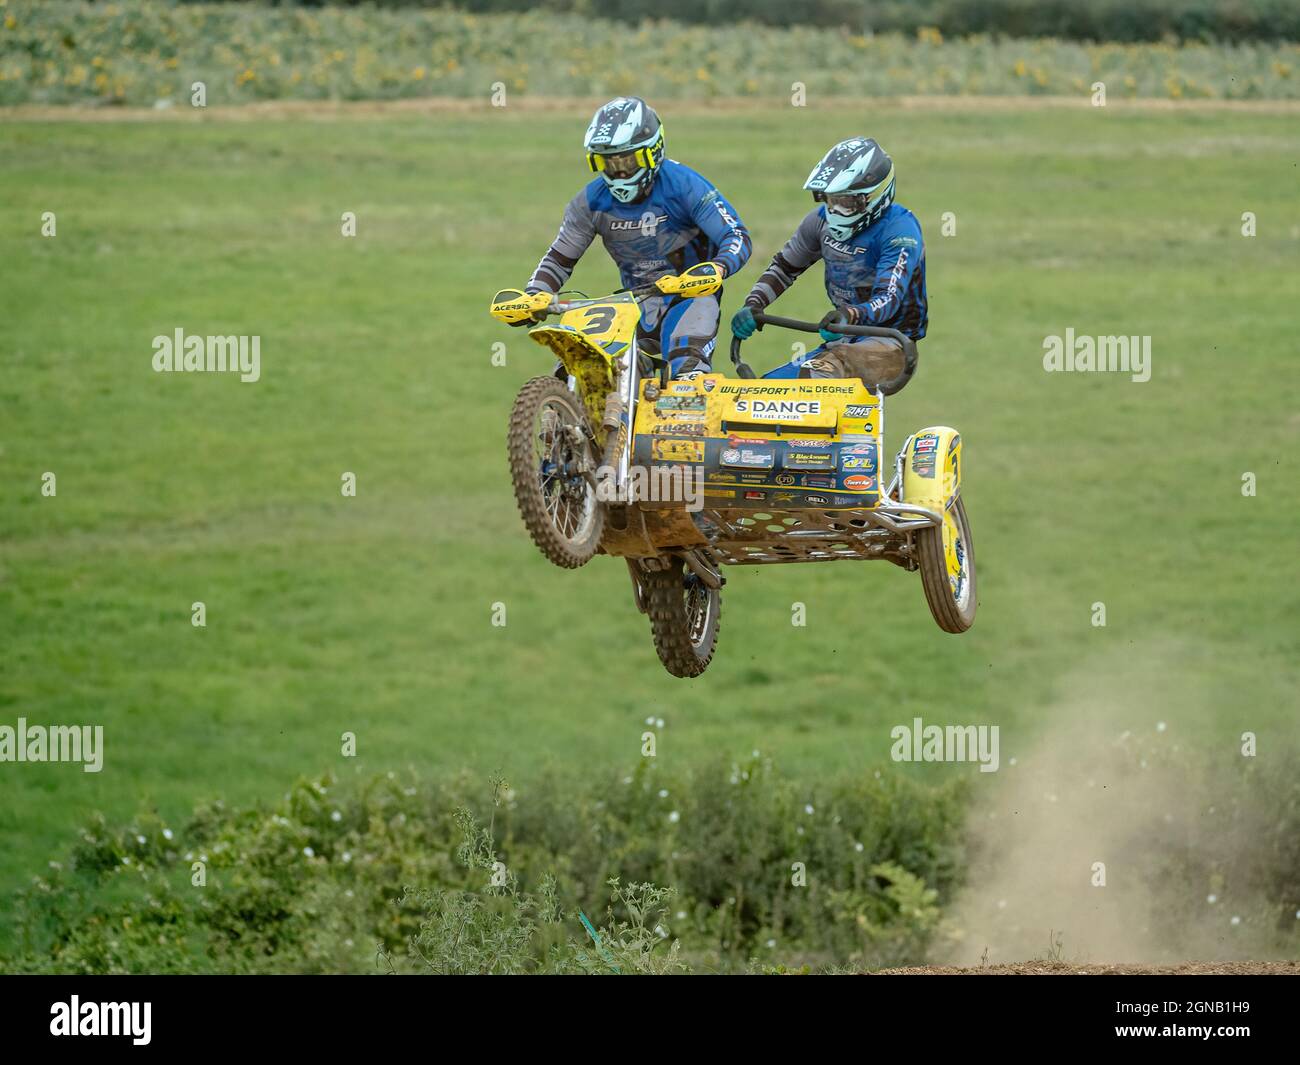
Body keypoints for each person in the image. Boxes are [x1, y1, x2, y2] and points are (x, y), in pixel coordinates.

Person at [509, 96, 752, 377]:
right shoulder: (588, 202)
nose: (619, 171)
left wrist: (716, 268)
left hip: (688, 297)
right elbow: (559, 258)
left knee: (687, 370)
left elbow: (736, 236)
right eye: (607, 163)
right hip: (633, 303)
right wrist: (535, 295)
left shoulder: (685, 185)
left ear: (653, 152)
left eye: (628, 160)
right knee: (579, 364)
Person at [731, 138, 926, 393]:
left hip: (892, 344)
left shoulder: (900, 231)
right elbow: (784, 268)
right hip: (844, 338)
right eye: (830, 199)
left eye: (845, 202)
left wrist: (849, 315)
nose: (835, 209)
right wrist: (754, 304)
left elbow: (889, 298)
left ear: (874, 196)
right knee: (766, 390)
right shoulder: (818, 222)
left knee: (814, 378)